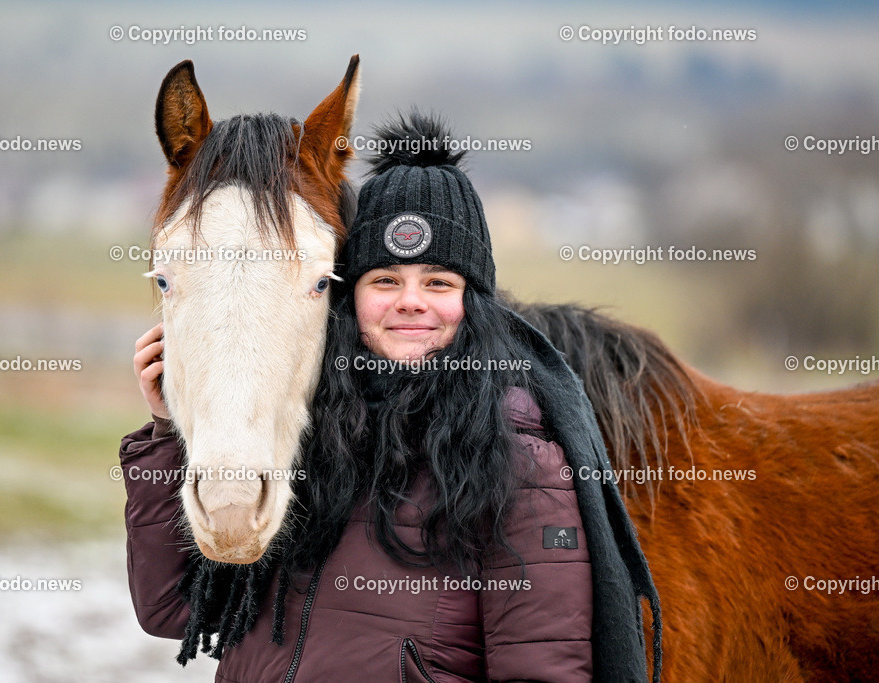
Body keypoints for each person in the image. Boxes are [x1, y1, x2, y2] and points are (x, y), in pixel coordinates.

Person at [120, 113, 662, 682]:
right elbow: (172, 609)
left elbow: (541, 668)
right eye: (384, 280)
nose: (410, 302)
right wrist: (164, 435)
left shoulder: (516, 456)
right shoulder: (306, 437)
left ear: (474, 301)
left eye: (438, 282)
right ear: (348, 295)